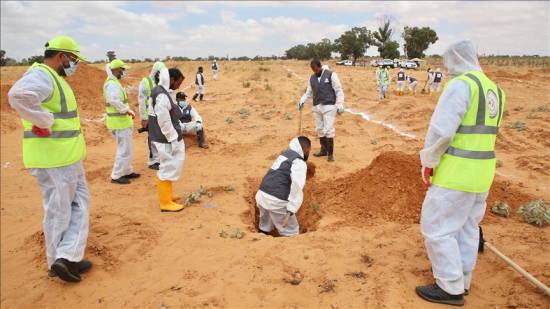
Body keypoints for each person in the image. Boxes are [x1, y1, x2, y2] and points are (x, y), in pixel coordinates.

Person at [416, 40, 506, 306]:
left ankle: (449, 287)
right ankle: (463, 280)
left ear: (455, 59)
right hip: (482, 174)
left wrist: (428, 161)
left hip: (456, 173)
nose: (446, 68)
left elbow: (441, 131)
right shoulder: (495, 90)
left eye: (447, 62)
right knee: (467, 228)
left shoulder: (461, 85)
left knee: (437, 229)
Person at [8, 35, 92, 283]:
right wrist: (43, 120)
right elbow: (18, 95)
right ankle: (60, 259)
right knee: (60, 211)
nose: (74, 64)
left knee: (76, 206)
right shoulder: (43, 75)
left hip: (66, 156)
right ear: (61, 56)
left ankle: (66, 257)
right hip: (55, 158)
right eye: (73, 59)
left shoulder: (54, 78)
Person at [255, 136, 311, 236]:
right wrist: (291, 209)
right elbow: (297, 186)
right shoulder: (299, 162)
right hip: (276, 201)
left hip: (261, 196)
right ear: (305, 149)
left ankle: (262, 236)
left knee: (265, 224)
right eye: (308, 150)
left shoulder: (284, 155)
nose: (308, 153)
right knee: (292, 232)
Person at [148, 67, 186, 212]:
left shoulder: (161, 92)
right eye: (178, 83)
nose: (179, 86)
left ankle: (168, 195)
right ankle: (165, 202)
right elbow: (163, 120)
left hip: (164, 137)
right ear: (172, 79)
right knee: (167, 166)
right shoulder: (162, 95)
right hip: (165, 138)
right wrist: (173, 138)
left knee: (171, 165)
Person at [298, 59, 345, 162]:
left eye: (315, 69)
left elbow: (338, 90)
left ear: (320, 66)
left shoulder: (331, 75)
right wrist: (302, 100)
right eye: (312, 70)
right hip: (317, 107)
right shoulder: (312, 78)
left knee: (328, 129)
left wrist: (340, 103)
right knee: (319, 129)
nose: (315, 71)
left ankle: (330, 154)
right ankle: (323, 150)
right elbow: (309, 92)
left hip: (329, 106)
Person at [103, 59, 139, 184]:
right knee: (123, 150)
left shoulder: (114, 82)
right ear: (116, 70)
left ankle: (127, 171)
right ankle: (117, 175)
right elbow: (113, 100)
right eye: (122, 70)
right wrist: (126, 110)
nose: (123, 72)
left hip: (122, 122)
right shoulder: (112, 84)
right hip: (118, 123)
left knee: (127, 149)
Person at [138, 61, 165, 170]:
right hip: (150, 116)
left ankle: (158, 159)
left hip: (160, 115)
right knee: (152, 139)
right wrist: (144, 118)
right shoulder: (146, 82)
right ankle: (152, 161)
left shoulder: (162, 82)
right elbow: (141, 100)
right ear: (156, 72)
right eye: (160, 73)